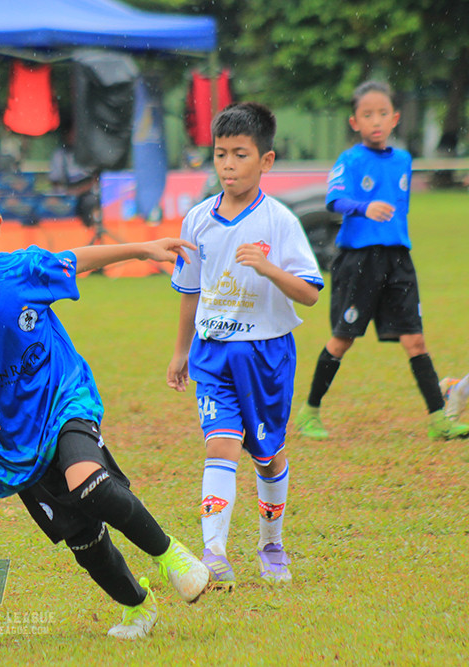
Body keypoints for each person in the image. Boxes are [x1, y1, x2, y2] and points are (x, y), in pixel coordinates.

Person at [0, 160, 207, 640]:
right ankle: (139, 606)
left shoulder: (23, 271)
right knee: (83, 538)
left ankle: (169, 555)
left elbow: (79, 259)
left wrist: (143, 248)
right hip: (10, 437)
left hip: (63, 397)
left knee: (89, 482)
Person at [166, 102, 324, 590]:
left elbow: (311, 293)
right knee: (220, 447)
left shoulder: (279, 222)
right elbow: (191, 291)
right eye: (220, 154)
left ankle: (270, 542)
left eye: (240, 154)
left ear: (266, 161)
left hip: (267, 354)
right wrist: (180, 350)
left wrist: (268, 267)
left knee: (268, 455)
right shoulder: (197, 220)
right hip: (213, 352)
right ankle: (213, 552)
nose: (228, 165)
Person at [295, 81, 469, 441]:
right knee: (342, 340)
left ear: (396, 118)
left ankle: (439, 419)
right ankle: (309, 412)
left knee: (415, 340)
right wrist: (364, 207)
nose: (376, 121)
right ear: (355, 122)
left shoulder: (404, 160)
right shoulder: (351, 160)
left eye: (383, 114)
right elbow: (334, 200)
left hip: (398, 259)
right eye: (367, 114)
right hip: (358, 261)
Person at [48, 115, 99, 229]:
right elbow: (55, 182)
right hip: (66, 196)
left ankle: (90, 228)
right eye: (72, 132)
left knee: (90, 203)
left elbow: (95, 179)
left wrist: (81, 189)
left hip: (87, 196)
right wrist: (70, 192)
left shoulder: (90, 154)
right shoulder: (60, 155)